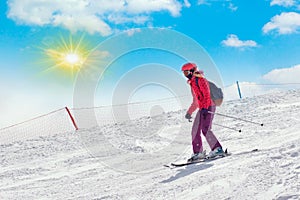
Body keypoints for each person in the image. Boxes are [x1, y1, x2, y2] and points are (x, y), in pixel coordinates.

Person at [181, 62, 224, 162]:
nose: (185, 75)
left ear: (192, 71)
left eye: (186, 72)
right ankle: (198, 153)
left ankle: (217, 149)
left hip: (209, 106)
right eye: (184, 73)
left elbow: (206, 95)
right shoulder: (192, 83)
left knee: (205, 129)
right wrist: (189, 112)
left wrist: (206, 108)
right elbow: (196, 101)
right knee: (195, 130)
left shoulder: (200, 79)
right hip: (203, 108)